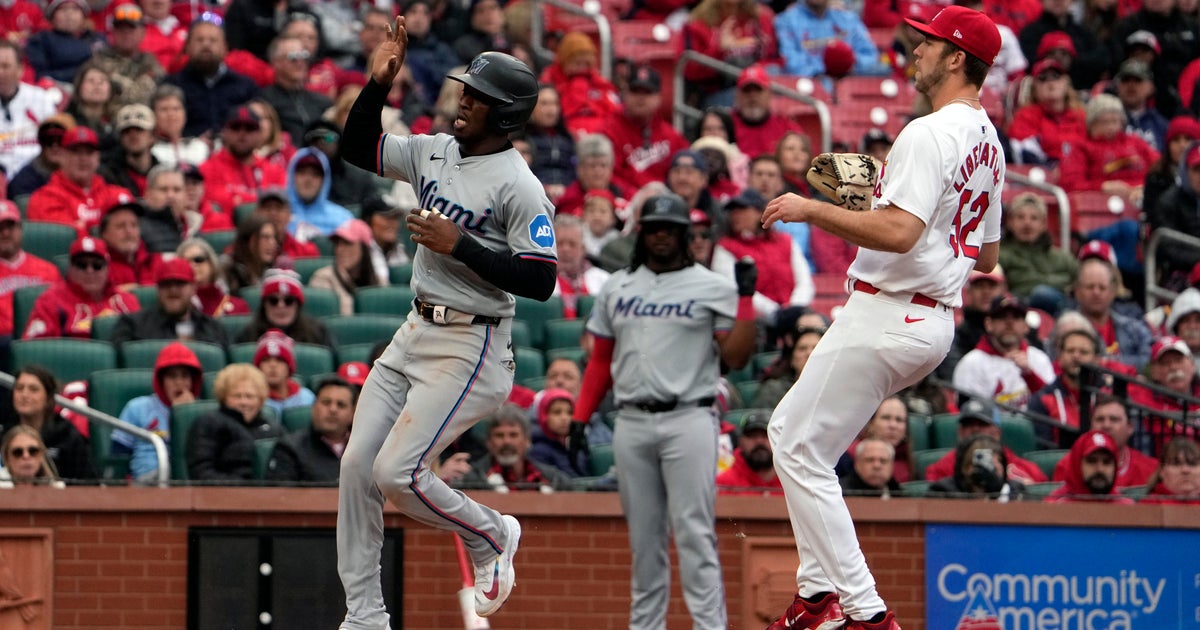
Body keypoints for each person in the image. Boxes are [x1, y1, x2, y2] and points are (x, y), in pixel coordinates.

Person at [758, 8, 1006, 627]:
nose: (914, 49)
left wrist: (813, 210)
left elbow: (898, 233)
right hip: (931, 322)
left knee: (793, 443)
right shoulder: (989, 142)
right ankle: (818, 596)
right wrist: (883, 201)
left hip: (888, 313)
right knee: (804, 442)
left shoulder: (928, 133)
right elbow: (989, 255)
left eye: (928, 43)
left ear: (957, 59)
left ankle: (865, 612)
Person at [337, 27, 561, 624]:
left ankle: (489, 535)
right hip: (415, 330)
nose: (463, 99)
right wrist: (377, 85)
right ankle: (364, 615)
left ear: (506, 113)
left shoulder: (522, 187)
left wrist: (461, 245)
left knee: (395, 471)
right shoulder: (434, 149)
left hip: (472, 341)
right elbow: (358, 147)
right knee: (358, 467)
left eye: (477, 95)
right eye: (465, 88)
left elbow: (542, 280)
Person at [571, 191, 757, 629]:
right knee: (644, 539)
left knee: (694, 532)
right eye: (653, 228)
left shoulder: (712, 285)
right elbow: (600, 361)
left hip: (689, 417)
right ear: (641, 233)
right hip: (631, 419)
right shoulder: (617, 286)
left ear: (686, 235)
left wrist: (745, 300)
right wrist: (580, 417)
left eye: (670, 230)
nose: (660, 237)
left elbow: (737, 356)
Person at [713, 189, 815, 323]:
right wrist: (773, 312)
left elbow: (804, 280)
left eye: (742, 209)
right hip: (753, 321)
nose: (735, 215)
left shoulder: (785, 241)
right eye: (733, 210)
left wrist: (794, 308)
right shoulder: (725, 247)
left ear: (759, 212)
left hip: (793, 315)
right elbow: (734, 287)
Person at [113, 342, 202, 482]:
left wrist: (185, 415)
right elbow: (118, 456)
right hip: (147, 483)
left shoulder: (202, 413)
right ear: (161, 380)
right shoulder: (137, 407)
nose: (179, 383)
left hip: (189, 483)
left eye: (185, 376)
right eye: (172, 376)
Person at [23, 236, 140, 339]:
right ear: (70, 268)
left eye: (97, 265)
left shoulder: (127, 301)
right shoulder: (50, 302)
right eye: (82, 265)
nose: (90, 271)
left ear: (107, 269)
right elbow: (35, 349)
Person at [26, 126, 136, 235]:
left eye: (89, 152)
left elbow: (131, 235)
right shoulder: (44, 198)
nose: (83, 159)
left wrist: (84, 225)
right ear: (62, 156)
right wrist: (107, 228)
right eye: (76, 152)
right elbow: (66, 237)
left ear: (97, 158)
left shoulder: (117, 195)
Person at [952, 294, 1055, 409]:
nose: (1009, 323)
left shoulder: (1039, 359)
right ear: (988, 324)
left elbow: (1053, 408)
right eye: (1001, 317)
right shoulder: (971, 364)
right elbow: (969, 414)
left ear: (1026, 326)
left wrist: (1030, 375)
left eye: (1016, 317)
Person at [163, 14, 259, 137]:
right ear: (187, 47)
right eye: (199, 40)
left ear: (225, 47)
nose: (206, 45)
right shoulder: (173, 85)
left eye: (213, 40)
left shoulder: (246, 87)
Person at [186, 363, 283, 482]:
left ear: (261, 399)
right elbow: (202, 471)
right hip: (223, 495)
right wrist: (245, 489)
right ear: (224, 397)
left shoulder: (274, 429)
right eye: (237, 396)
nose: (244, 402)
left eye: (250, 396)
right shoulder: (208, 423)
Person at [601, 65, 690, 192]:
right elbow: (608, 176)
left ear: (658, 98)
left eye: (647, 92)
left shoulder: (670, 135)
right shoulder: (609, 131)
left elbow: (689, 166)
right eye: (635, 91)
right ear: (625, 94)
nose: (641, 98)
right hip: (626, 203)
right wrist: (639, 198)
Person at [110, 257, 228, 349]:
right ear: (158, 289)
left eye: (180, 284)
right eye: (166, 284)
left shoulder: (213, 328)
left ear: (193, 288)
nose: (173, 290)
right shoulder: (132, 326)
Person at [922, 398, 1047, 485]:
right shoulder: (939, 469)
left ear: (997, 433)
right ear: (960, 432)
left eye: (982, 424)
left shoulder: (1028, 469)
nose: (975, 429)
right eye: (968, 424)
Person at [2, 365, 94, 481]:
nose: (24, 395)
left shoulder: (67, 435)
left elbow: (87, 482)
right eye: (19, 388)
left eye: (33, 389)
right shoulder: (4, 433)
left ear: (48, 398)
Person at [1050, 393, 1158, 489]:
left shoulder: (1150, 469)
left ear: (1130, 428)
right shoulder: (1067, 466)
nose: (1106, 426)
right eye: (1100, 419)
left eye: (1114, 419)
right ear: (1091, 426)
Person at [996, 192, 1077, 315]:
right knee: (1041, 294)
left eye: (1034, 218)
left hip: (1062, 310)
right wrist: (1063, 282)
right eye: (1020, 217)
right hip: (1015, 312)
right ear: (1010, 221)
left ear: (1044, 223)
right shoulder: (1000, 256)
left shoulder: (1061, 258)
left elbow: (1080, 282)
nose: (1027, 223)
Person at [265, 376, 357, 484]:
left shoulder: (365, 449)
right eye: (326, 403)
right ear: (314, 408)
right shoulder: (289, 448)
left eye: (341, 405)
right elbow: (279, 497)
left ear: (352, 413)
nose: (333, 409)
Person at [198, 107, 288, 215]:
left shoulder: (275, 172)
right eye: (236, 128)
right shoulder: (207, 169)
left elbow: (279, 210)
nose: (242, 134)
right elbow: (220, 206)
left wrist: (238, 198)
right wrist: (259, 202)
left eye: (249, 128)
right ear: (225, 132)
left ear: (259, 134)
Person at [459, 404, 569, 491]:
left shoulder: (551, 478)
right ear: (489, 442)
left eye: (513, 435)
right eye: (499, 435)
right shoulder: (473, 480)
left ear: (527, 440)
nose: (507, 441)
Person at [0, 201, 61, 348]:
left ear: (20, 229)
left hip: (41, 341)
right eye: (0, 228)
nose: (5, 233)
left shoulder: (49, 271)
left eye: (10, 227)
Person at [1072, 257, 1152, 369]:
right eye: (1090, 287)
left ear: (1113, 292)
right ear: (1077, 291)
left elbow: (1150, 361)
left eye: (1102, 287)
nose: (1096, 292)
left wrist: (1106, 363)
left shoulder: (1133, 329)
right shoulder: (1066, 330)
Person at [775, 0, 884, 78]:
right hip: (811, 84)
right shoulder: (786, 21)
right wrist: (829, 68)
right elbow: (791, 62)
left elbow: (870, 55)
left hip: (851, 79)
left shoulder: (848, 19)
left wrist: (847, 64)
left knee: (884, 69)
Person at [1028, 326, 1102, 440]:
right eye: (1070, 350)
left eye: (1084, 352)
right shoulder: (1042, 399)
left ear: (1096, 359)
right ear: (1060, 356)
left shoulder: (1108, 395)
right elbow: (1043, 450)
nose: (1076, 356)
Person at [0, 40, 58, 179]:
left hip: (37, 173)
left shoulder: (40, 98)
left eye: (5, 66)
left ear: (20, 70)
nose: (0, 72)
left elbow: (54, 142)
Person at [260, 35, 333, 144]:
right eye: (293, 57)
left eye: (304, 56)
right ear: (276, 62)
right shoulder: (265, 101)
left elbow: (332, 138)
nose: (300, 62)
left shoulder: (323, 102)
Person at [91, 2, 163, 108]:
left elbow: (157, 94)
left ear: (143, 32)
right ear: (113, 31)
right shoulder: (99, 60)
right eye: (120, 28)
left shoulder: (150, 62)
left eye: (131, 28)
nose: (126, 33)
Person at [235, 270, 333, 347]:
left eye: (288, 301)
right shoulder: (248, 335)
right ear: (264, 304)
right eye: (273, 301)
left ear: (297, 305)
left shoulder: (318, 333)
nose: (281, 306)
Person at [309, 219, 386, 316]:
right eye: (337, 243)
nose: (340, 249)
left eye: (347, 243)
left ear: (364, 248)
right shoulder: (323, 278)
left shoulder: (379, 281)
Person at [25, 0, 104, 84]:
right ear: (52, 17)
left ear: (84, 16)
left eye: (75, 9)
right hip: (57, 89)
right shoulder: (41, 40)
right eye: (63, 9)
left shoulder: (97, 38)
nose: (69, 14)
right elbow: (40, 75)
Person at [1045, 429, 1134, 503]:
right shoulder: (1055, 507)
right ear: (1077, 464)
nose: (1100, 469)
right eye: (1092, 461)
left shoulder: (1126, 508)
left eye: (1106, 462)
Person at [927, 434, 1025, 500]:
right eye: (980, 463)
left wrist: (997, 493)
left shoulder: (1016, 491)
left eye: (998, 461)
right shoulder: (943, 491)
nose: (988, 469)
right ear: (964, 468)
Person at [285, 149, 355, 240]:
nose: (308, 180)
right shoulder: (276, 214)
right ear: (291, 176)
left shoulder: (343, 219)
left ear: (325, 180)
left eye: (315, 174)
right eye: (302, 172)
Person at [551, 215, 609, 320]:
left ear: (583, 249)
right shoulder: (537, 280)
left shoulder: (604, 280)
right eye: (559, 243)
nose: (565, 249)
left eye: (572, 244)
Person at [754, 325, 825, 410]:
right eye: (802, 349)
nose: (809, 353)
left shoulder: (836, 389)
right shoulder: (773, 390)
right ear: (792, 359)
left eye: (816, 348)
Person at [176, 238, 251, 318]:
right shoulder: (176, 307)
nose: (192, 265)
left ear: (211, 263)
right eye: (186, 262)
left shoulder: (238, 306)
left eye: (198, 259)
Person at [99, 103, 161, 197]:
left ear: (153, 136)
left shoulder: (163, 174)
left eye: (139, 130)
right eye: (126, 131)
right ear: (120, 138)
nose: (133, 136)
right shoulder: (107, 175)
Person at [716, 411, 784, 494]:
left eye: (766, 435)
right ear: (741, 441)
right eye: (752, 436)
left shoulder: (793, 482)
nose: (759, 441)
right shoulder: (723, 485)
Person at [98, 201, 160, 290]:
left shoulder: (154, 260)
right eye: (120, 226)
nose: (129, 231)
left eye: (134, 225)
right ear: (104, 233)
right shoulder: (97, 267)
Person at [527, 388, 588, 478]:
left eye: (570, 412)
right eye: (557, 412)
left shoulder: (577, 446)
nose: (564, 418)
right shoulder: (538, 452)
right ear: (544, 416)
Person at [8, 114, 74, 198]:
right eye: (48, 140)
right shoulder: (24, 181)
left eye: (60, 140)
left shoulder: (84, 174)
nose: (55, 146)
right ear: (41, 143)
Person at [254, 329, 315, 417]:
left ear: (289, 367)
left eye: (280, 360)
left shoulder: (306, 398)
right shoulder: (252, 399)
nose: (273, 365)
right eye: (266, 360)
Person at [148, 85, 210, 169]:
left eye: (176, 109)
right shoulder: (149, 151)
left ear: (184, 114)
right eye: (164, 109)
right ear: (153, 114)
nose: (171, 114)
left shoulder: (199, 147)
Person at [223, 215, 281, 295]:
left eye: (274, 237)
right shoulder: (227, 266)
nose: (273, 243)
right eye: (265, 237)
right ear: (249, 241)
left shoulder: (273, 270)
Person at [0, 425, 65, 488]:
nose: (26, 456)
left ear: (41, 455)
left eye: (33, 451)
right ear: (7, 457)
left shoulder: (57, 488)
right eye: (18, 452)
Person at [1140, 437, 1200, 504]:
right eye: (1176, 463)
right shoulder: (1149, 504)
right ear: (1161, 471)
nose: (1185, 470)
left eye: (1192, 463)